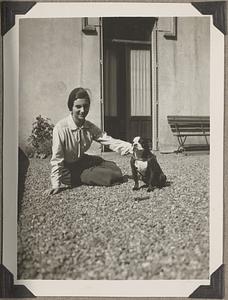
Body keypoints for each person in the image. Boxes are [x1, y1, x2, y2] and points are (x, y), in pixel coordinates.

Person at [45, 87, 133, 195]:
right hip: (67, 170)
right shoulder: (60, 128)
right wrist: (55, 184)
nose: (82, 110)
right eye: (78, 106)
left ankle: (93, 173)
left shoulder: (89, 127)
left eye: (85, 106)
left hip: (82, 161)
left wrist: (133, 148)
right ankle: (90, 176)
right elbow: (57, 159)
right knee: (111, 175)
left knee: (113, 167)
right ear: (71, 107)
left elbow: (109, 140)